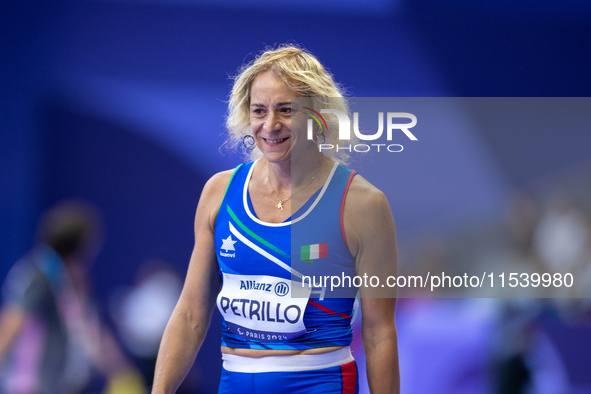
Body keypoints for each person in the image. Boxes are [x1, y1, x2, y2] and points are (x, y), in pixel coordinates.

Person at [152, 44, 399, 393]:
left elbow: (378, 333)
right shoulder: (219, 192)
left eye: (285, 110)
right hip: (235, 382)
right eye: (259, 111)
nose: (270, 125)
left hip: (319, 383)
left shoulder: (363, 205)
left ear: (317, 115)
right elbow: (191, 314)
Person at [0, 200, 144, 394]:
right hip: (30, 387)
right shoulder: (37, 274)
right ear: (81, 242)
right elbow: (11, 323)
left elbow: (93, 333)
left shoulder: (75, 282)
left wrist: (123, 372)